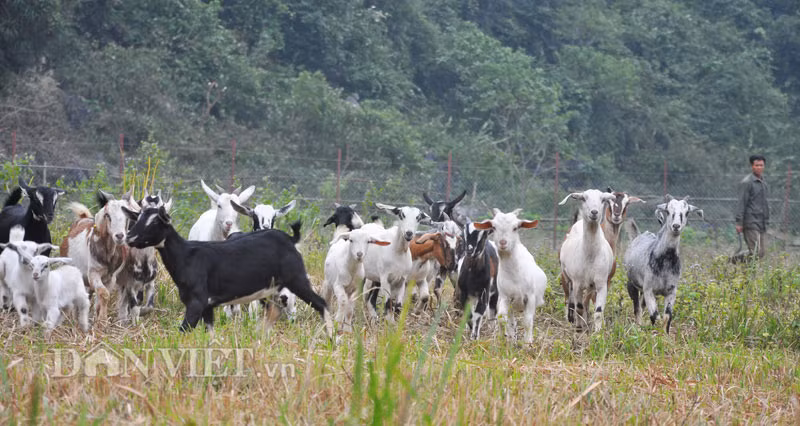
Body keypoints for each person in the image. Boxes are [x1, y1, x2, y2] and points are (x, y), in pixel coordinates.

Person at [735, 154, 769, 259]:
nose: (759, 168)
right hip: (750, 221)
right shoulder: (747, 182)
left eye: (761, 165)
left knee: (761, 253)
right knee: (755, 252)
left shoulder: (763, 182)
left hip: (761, 221)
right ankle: (737, 264)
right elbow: (741, 202)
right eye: (757, 165)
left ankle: (736, 260)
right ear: (752, 166)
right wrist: (739, 222)